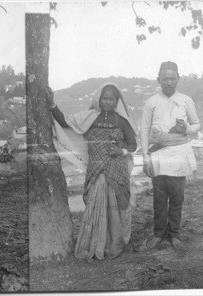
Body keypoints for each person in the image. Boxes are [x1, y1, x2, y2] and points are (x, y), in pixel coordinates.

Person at [45, 82, 137, 260]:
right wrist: (52, 104)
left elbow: (133, 144)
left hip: (116, 168)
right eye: (105, 98)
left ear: (117, 101)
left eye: (112, 99)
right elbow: (64, 122)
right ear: (98, 99)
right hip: (95, 168)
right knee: (95, 202)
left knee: (117, 203)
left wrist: (121, 151)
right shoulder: (89, 118)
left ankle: (114, 243)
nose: (108, 102)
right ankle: (95, 242)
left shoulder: (122, 120)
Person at [140, 61, 200, 252]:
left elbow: (197, 124)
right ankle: (158, 234)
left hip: (178, 155)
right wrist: (145, 157)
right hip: (158, 155)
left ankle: (174, 234)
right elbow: (143, 130)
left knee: (176, 198)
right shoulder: (151, 102)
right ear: (159, 79)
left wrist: (188, 128)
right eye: (165, 78)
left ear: (178, 79)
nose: (169, 82)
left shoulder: (185, 100)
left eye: (172, 78)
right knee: (159, 199)